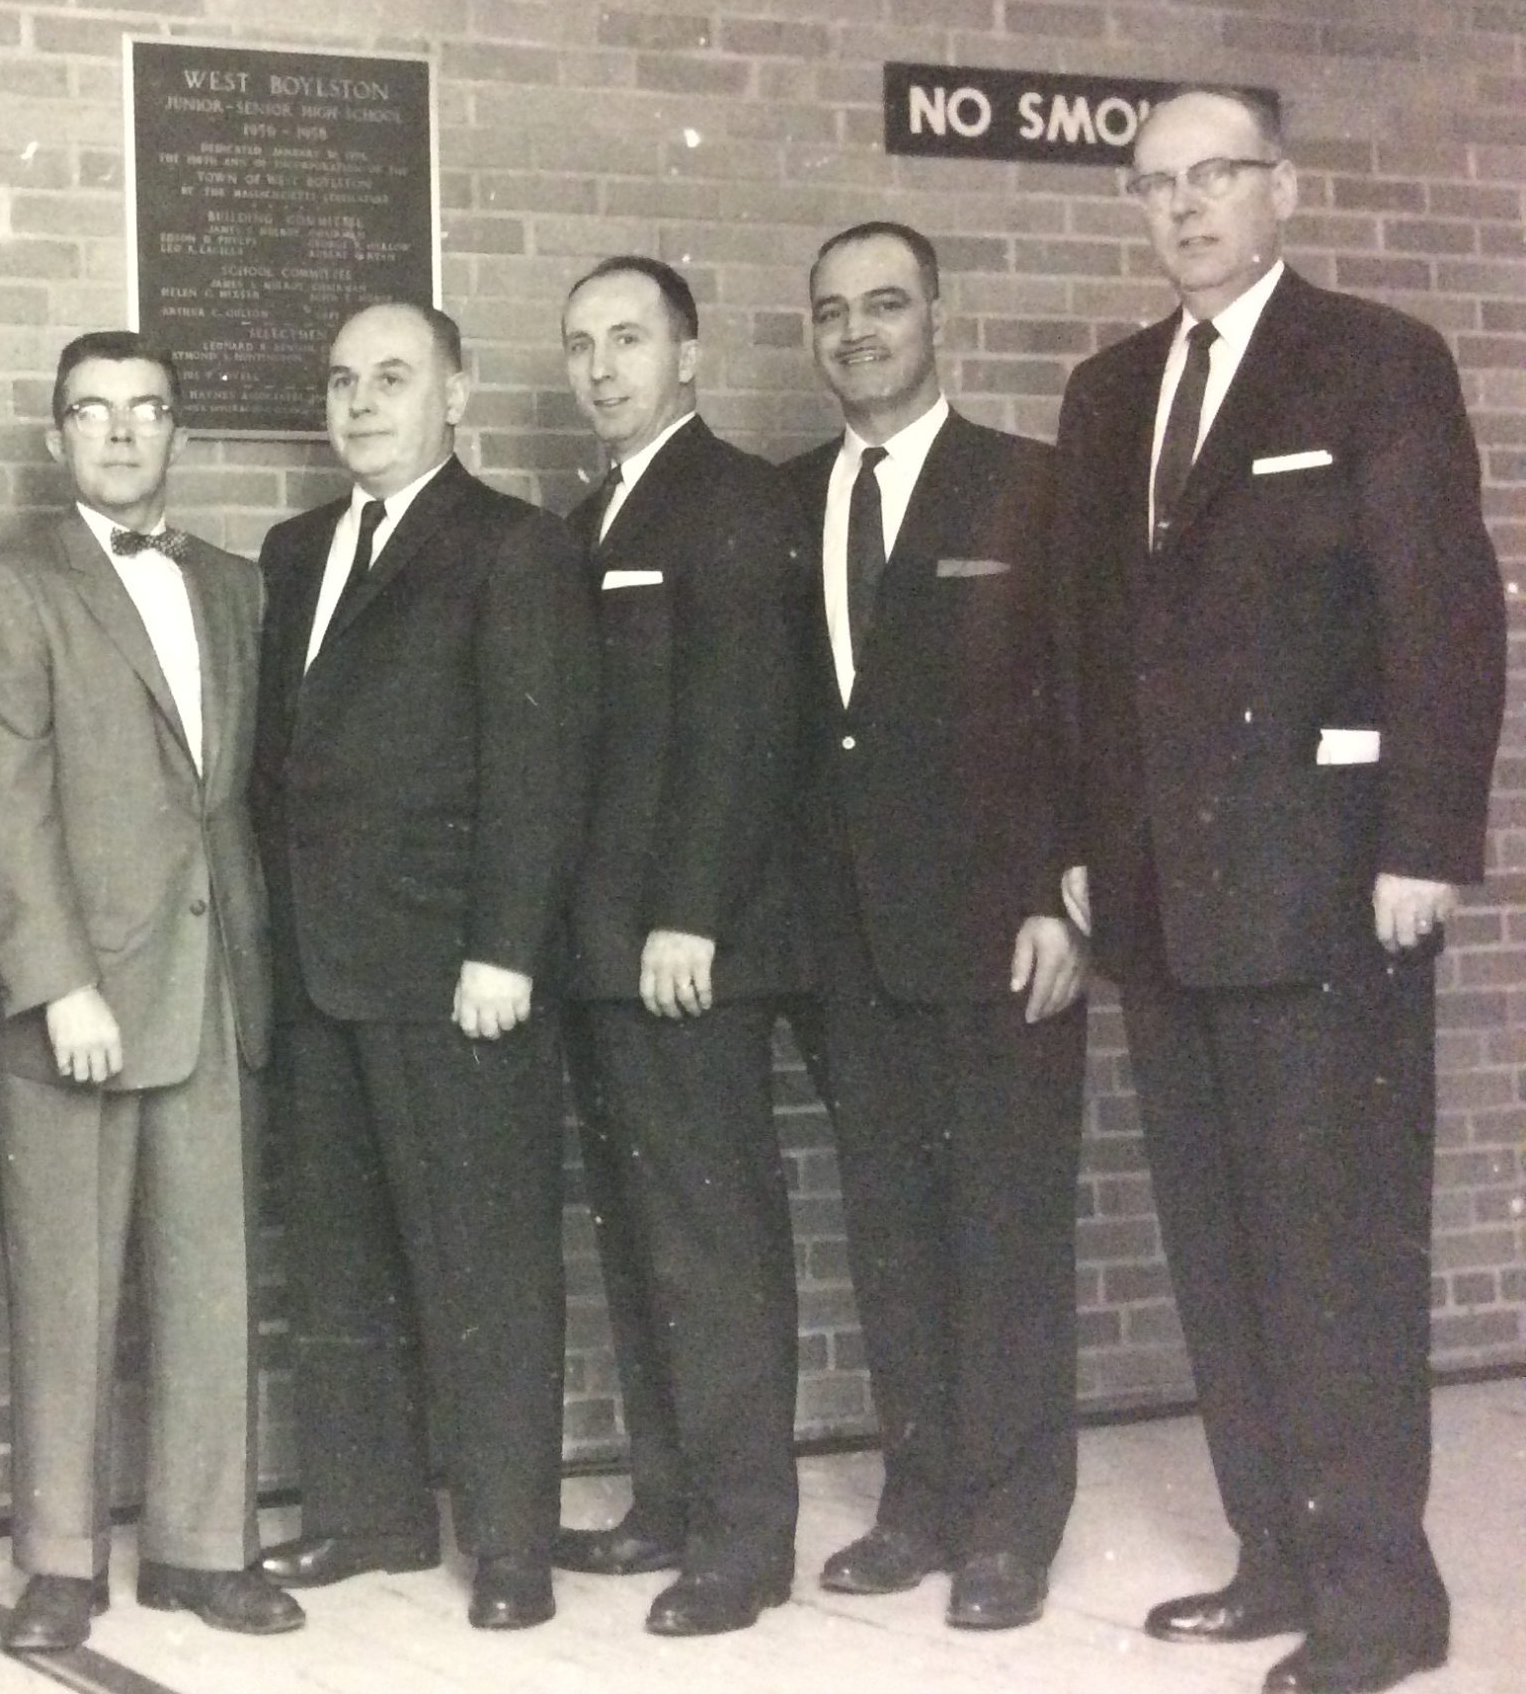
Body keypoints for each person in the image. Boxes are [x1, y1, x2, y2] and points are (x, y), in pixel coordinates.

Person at [1054, 87, 1504, 1694]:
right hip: (1169, 902)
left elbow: (1444, 613)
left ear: (1283, 192)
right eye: (1157, 185)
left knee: (1341, 1251)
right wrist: (1081, 850)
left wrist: (1423, 846)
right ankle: (1274, 1559)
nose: (1185, 209)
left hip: (1330, 893)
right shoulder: (1110, 395)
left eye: (1215, 177)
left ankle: (1383, 1601)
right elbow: (1087, 655)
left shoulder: (1376, 359)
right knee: (1224, 1246)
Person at [0, 331, 302, 1654]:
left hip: (214, 981)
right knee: (65, 1279)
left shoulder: (236, 585)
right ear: (56, 438)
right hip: (77, 1001)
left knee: (212, 1273)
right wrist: (56, 985)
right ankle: (59, 1560)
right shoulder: (9, 587)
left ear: (176, 434)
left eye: (147, 412)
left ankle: (207, 1547)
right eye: (92, 414)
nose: (121, 435)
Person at [251, 300, 599, 1632]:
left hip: (457, 973)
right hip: (324, 973)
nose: (360, 402)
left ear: (456, 397)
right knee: (342, 1254)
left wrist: (504, 948)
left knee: (486, 1261)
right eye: (341, 380)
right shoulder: (296, 552)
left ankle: (512, 1542)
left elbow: (540, 764)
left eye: (393, 378)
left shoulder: (512, 548)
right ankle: (366, 1512)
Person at [782, 222, 1087, 1633]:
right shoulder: (788, 503)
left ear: (937, 318)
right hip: (851, 945)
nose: (859, 333)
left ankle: (1013, 1527)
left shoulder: (1028, 485)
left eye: (886, 306)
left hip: (999, 935)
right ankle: (919, 1505)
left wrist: (1063, 894)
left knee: (1006, 1231)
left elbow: (1084, 708)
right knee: (893, 1232)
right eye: (835, 312)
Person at [550, 256, 808, 1638]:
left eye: (629, 339)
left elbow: (744, 721)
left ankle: (745, 1539)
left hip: (684, 947)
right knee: (644, 1232)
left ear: (689, 355)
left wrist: (690, 911)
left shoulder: (732, 500)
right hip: (608, 946)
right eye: (583, 345)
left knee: (711, 1239)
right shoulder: (599, 512)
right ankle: (670, 1501)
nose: (602, 367)